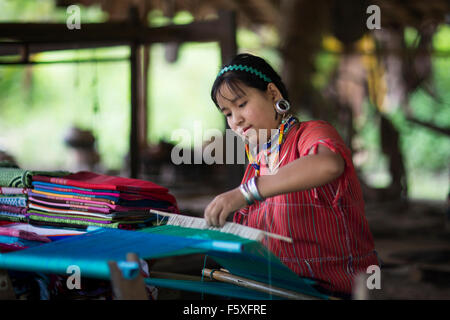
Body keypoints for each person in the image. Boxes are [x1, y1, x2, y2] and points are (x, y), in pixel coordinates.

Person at [204, 53, 379, 298]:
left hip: (333, 293)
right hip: (277, 288)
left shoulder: (312, 134)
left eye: (242, 104)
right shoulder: (257, 164)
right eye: (228, 113)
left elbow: (328, 165)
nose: (237, 120)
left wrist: (247, 192)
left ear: (273, 94)